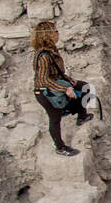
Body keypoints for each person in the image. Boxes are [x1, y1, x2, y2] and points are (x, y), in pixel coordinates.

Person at [31, 20, 91, 157]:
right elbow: (43, 80)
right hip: (44, 92)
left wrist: (68, 80)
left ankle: (82, 116)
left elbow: (56, 72)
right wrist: (65, 88)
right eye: (55, 31)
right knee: (55, 117)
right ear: (48, 35)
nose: (58, 34)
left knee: (84, 87)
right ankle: (60, 147)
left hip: (55, 83)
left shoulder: (52, 50)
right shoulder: (43, 56)